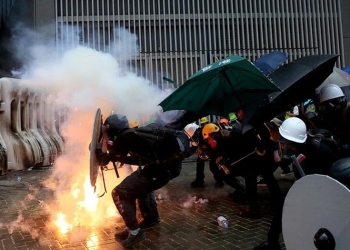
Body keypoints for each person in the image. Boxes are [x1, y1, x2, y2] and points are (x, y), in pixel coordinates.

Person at [96, 114, 196, 247]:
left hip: (156, 172)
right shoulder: (136, 133)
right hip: (165, 171)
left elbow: (103, 160)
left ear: (111, 128)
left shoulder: (123, 137)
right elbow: (141, 160)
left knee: (119, 193)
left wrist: (96, 148)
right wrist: (120, 158)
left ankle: (135, 232)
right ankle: (151, 218)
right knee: (140, 188)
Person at [254, 117, 341, 250]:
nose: (283, 147)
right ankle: (272, 242)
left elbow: (335, 176)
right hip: (308, 186)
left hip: (326, 190)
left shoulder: (320, 150)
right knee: (284, 205)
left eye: (287, 143)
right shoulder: (298, 149)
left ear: (296, 142)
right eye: (283, 142)